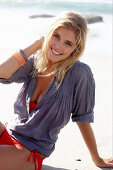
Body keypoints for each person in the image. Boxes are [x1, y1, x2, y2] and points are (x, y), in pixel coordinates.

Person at [0, 11, 113, 170]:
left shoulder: (80, 73)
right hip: (8, 132)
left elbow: (83, 118)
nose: (59, 46)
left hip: (30, 150)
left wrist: (97, 158)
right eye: (56, 36)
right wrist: (37, 44)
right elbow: (2, 72)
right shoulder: (36, 61)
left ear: (76, 49)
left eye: (68, 43)